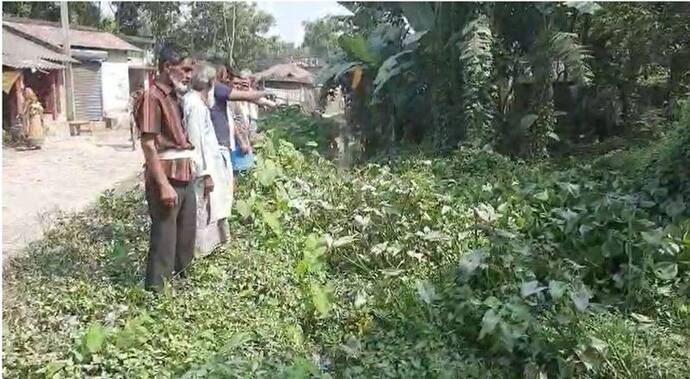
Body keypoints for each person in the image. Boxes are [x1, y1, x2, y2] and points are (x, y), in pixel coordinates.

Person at [134, 45, 196, 291]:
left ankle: (181, 286)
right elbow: (148, 145)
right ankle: (156, 293)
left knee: (185, 237)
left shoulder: (174, 97)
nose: (189, 75)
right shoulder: (152, 97)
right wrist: (163, 185)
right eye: (185, 69)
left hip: (184, 173)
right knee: (164, 241)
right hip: (167, 177)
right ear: (168, 67)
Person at [183, 62, 233, 256]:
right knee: (201, 213)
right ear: (210, 83)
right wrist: (205, 174)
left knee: (208, 210)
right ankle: (198, 255)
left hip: (208, 166)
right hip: (202, 171)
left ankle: (205, 252)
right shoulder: (195, 105)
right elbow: (195, 142)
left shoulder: (197, 103)